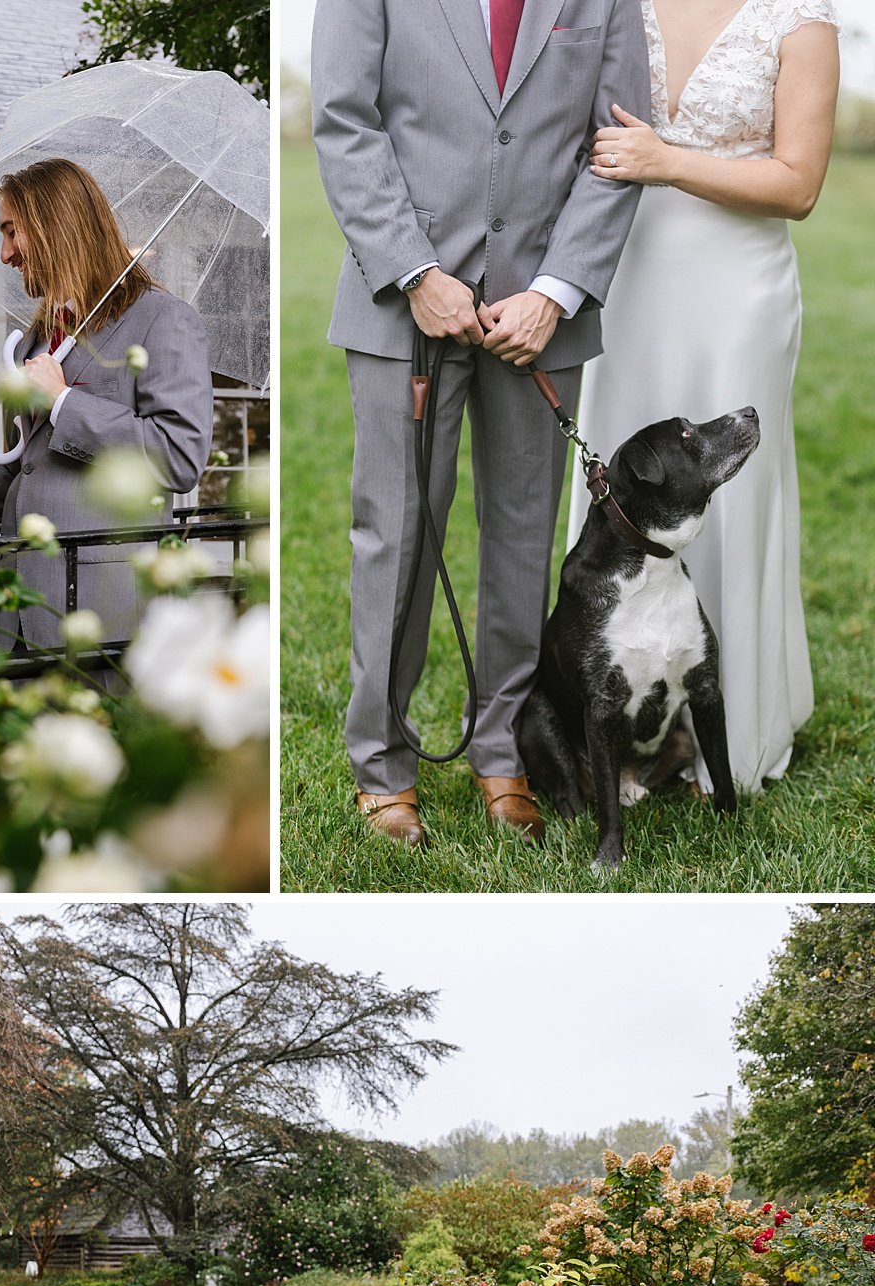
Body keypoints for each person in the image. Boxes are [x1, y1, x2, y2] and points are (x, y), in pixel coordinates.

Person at [311, 0, 651, 848]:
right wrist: (415, 270)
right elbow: (344, 119)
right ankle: (383, 764)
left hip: (542, 317)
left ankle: (503, 749)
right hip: (401, 303)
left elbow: (617, 148)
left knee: (523, 536)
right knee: (394, 536)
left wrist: (557, 289)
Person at [568, 0, 840, 796]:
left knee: (731, 493)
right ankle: (616, 715)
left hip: (738, 289)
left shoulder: (802, 18)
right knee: (626, 485)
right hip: (629, 273)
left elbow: (798, 184)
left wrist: (665, 161)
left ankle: (732, 722)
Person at [0, 157, 215, 651]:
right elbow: (35, 475)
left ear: (53, 225)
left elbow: (179, 456)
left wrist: (63, 403)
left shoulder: (163, 320)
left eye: (12, 232)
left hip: (107, 614)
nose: (4, 254)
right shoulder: (39, 339)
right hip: (16, 616)